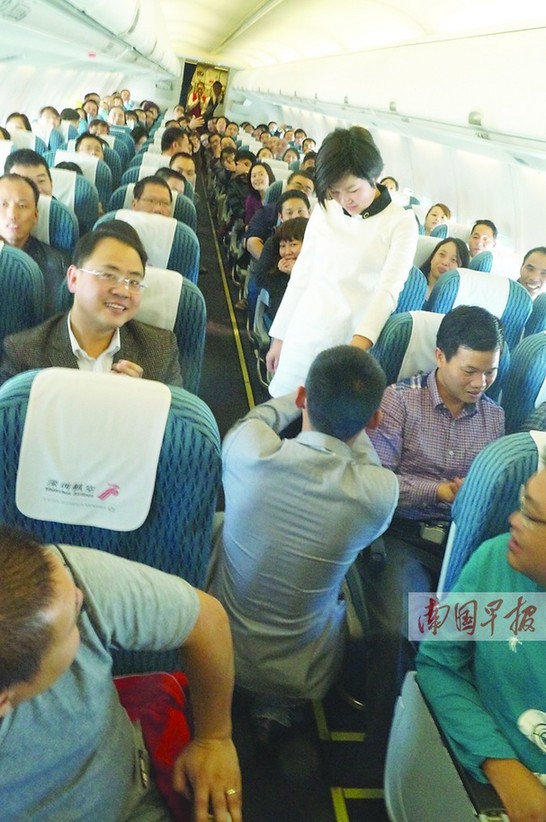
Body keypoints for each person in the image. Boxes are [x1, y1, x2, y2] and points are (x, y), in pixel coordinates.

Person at [207, 345, 398, 736]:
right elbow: (367, 464)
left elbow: (258, 418)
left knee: (221, 525)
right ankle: (276, 706)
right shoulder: (378, 494)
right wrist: (354, 418)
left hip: (214, 646)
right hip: (303, 674)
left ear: (301, 398)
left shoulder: (247, 450)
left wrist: (301, 398)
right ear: (375, 419)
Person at [0, 524, 242, 822]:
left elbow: (206, 621)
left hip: (131, 800)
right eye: (73, 622)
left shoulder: (56, 576)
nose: (80, 595)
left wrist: (214, 738)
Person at [416, 463, 546, 822]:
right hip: (498, 782)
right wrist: (500, 764)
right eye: (521, 503)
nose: (513, 519)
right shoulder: (497, 566)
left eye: (531, 515)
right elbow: (439, 664)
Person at [266, 126, 418, 396]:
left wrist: (353, 354)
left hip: (349, 339)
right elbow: (302, 276)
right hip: (303, 332)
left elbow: (388, 292)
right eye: (335, 191)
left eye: (352, 190)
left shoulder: (400, 223)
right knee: (283, 410)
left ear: (374, 175)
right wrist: (279, 337)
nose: (344, 200)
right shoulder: (325, 208)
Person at [368, 305, 505, 583]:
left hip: (463, 540)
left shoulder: (494, 417)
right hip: (403, 535)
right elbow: (376, 486)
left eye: (490, 372)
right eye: (469, 371)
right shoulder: (399, 401)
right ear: (440, 357)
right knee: (413, 611)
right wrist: (440, 491)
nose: (480, 383)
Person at [0, 221, 183, 387]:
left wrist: (144, 400)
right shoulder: (24, 353)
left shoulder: (160, 350)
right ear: (73, 278)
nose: (123, 291)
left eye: (134, 282)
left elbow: (177, 414)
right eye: (108, 275)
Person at [0, 173, 68, 316]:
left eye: (22, 205)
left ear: (35, 215)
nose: (12, 215)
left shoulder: (56, 265)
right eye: (3, 204)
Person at [255, 216, 309, 321]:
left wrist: (299, 270)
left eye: (293, 244)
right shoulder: (276, 273)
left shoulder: (320, 267)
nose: (287, 252)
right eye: (283, 246)